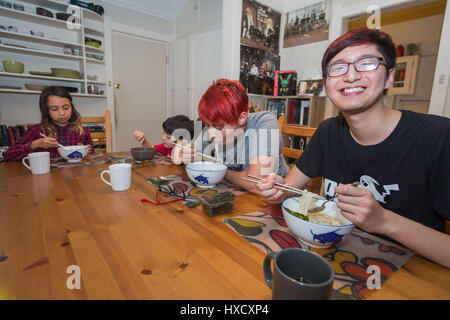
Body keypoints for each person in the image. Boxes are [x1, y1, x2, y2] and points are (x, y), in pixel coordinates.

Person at [256, 28, 450, 268]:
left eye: (366, 63)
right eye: (338, 67)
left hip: (412, 275)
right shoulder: (328, 132)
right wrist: (276, 188)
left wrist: (384, 221)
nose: (350, 76)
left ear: (390, 76)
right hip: (333, 259)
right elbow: (289, 190)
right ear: (326, 85)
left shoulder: (439, 138)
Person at [180, 79, 289, 194]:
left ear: (241, 118)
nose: (211, 134)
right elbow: (187, 151)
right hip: (241, 195)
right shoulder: (214, 125)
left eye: (218, 127)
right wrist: (186, 154)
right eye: (207, 125)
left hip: (278, 201)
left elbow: (256, 183)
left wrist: (223, 172)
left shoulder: (264, 122)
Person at [3, 86, 93, 161]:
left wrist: (86, 151)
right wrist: (34, 144)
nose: (62, 113)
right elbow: (8, 156)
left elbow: (92, 153)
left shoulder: (82, 131)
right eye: (54, 109)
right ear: (46, 110)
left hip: (75, 176)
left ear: (71, 106)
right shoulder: (36, 131)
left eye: (66, 108)